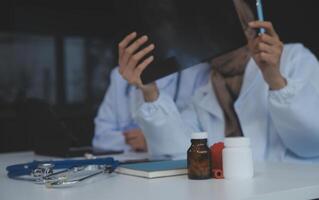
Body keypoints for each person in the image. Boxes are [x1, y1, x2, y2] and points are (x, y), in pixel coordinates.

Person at [117, 0, 319, 162]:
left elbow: (312, 143)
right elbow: (176, 155)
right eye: (204, 30)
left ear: (251, 28)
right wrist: (150, 93)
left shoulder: (293, 58)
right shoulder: (204, 89)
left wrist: (275, 80)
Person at [92, 64, 210, 152]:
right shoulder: (120, 75)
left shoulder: (197, 71)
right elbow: (100, 138)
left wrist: (152, 139)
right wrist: (138, 140)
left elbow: (201, 136)